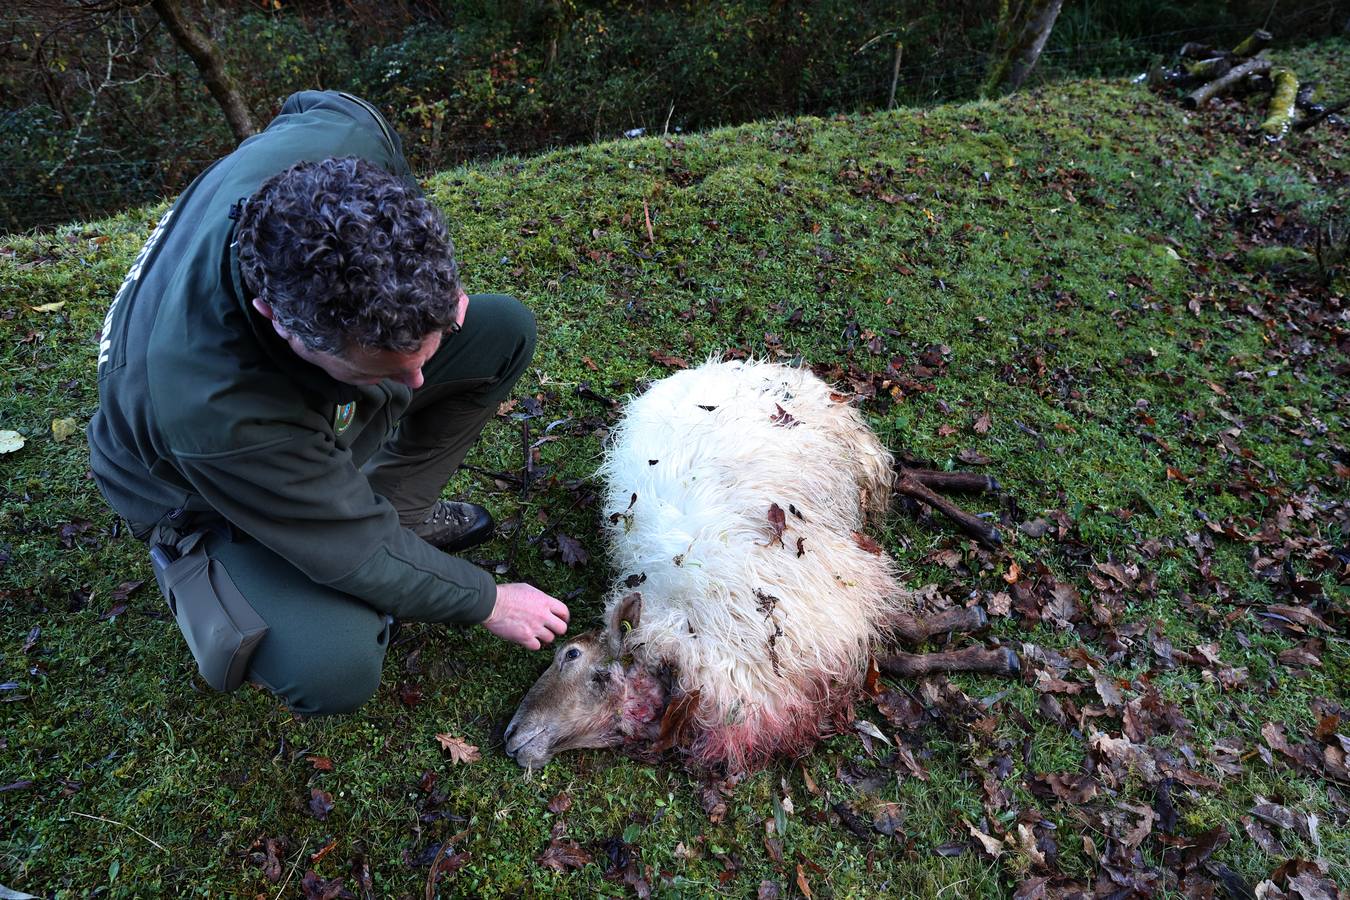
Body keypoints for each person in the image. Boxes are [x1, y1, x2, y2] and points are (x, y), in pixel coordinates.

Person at [88, 91, 569, 714]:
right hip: (194, 488)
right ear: (277, 318)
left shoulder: (342, 137)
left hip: (287, 405)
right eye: (389, 369)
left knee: (501, 330)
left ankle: (397, 514)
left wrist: (434, 307)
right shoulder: (218, 411)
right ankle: (210, 565)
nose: (420, 381)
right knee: (333, 663)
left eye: (430, 345)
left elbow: (314, 103)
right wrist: (488, 600)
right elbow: (356, 553)